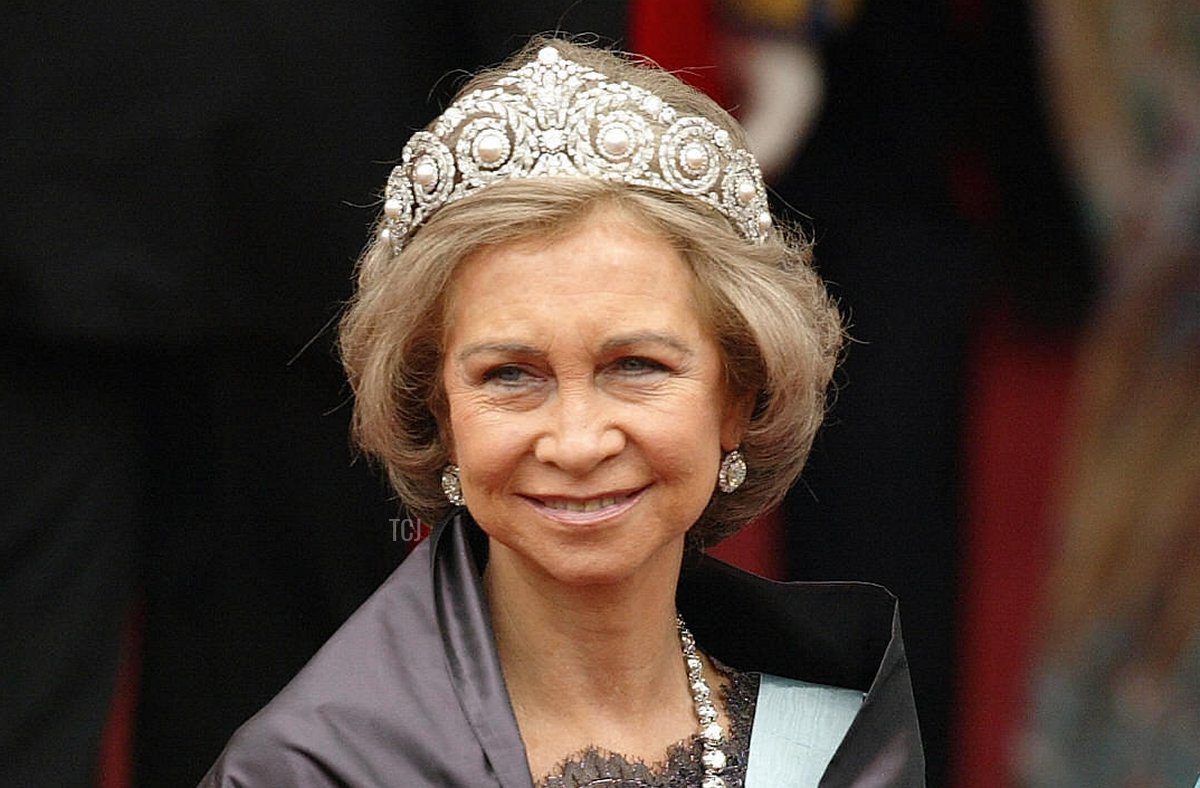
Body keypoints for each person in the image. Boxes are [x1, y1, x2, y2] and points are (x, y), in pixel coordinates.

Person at [200, 37, 924, 786]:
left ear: (738, 398)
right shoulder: (314, 771)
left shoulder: (838, 729)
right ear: (439, 412)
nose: (577, 443)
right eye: (511, 374)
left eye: (635, 366)